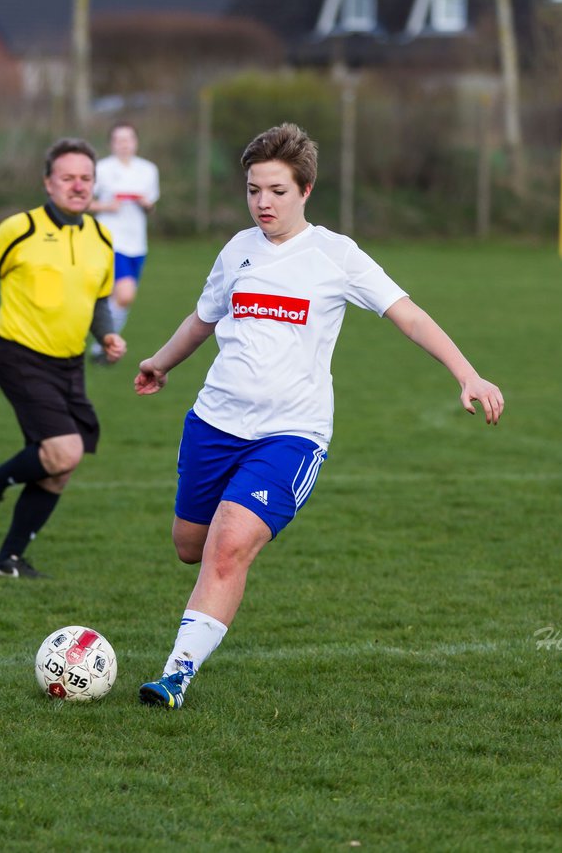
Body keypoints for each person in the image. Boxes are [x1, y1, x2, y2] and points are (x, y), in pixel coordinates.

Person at [132, 123, 504, 708]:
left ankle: (175, 675)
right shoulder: (237, 250)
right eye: (254, 190)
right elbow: (202, 319)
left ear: (305, 190)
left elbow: (409, 316)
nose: (263, 203)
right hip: (214, 422)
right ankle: (203, 604)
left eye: (276, 191)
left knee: (228, 547)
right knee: (189, 545)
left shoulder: (337, 256)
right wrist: (160, 362)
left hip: (291, 434)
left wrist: (468, 373)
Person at [0, 137, 125, 579]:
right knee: (63, 450)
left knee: (59, 469)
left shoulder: (102, 237)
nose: (78, 185)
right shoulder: (20, 229)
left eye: (86, 178)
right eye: (67, 177)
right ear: (48, 183)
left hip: (70, 364)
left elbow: (99, 299)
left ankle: (7, 559)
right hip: (19, 353)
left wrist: (106, 335)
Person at [87, 122, 160, 363]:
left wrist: (145, 204)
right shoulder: (102, 169)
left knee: (115, 297)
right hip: (109, 240)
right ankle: (106, 345)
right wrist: (107, 206)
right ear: (111, 143)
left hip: (137, 242)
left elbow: (151, 205)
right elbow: (83, 203)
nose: (124, 144)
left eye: (128, 139)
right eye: (119, 139)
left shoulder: (148, 170)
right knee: (125, 294)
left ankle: (101, 346)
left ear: (136, 142)